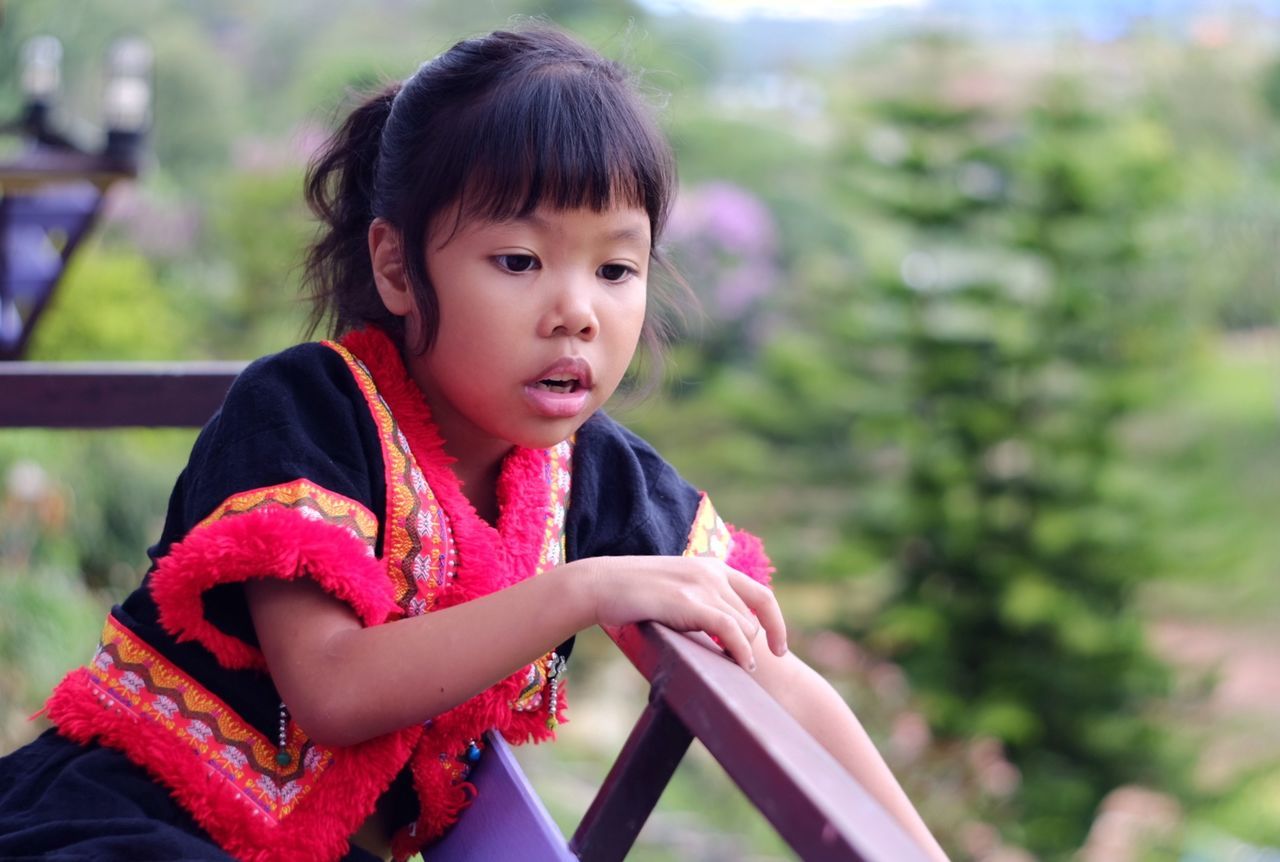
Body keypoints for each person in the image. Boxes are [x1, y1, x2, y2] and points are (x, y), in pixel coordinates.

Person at [0, 25, 949, 862]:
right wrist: (586, 587)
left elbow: (772, 674)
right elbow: (330, 687)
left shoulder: (597, 474)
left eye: (617, 267)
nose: (576, 310)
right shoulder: (304, 408)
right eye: (519, 261)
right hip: (133, 820)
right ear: (396, 267)